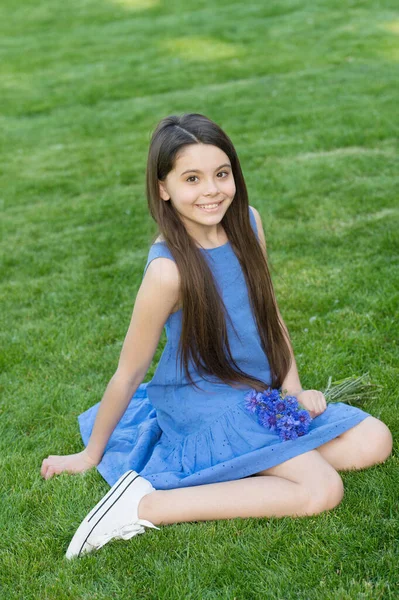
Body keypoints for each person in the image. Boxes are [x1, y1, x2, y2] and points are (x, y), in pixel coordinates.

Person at [41, 113, 393, 559]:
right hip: (203, 405)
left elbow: (271, 315)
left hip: (257, 394)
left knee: (373, 440)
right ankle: (143, 504)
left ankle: (233, 469)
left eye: (221, 174)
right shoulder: (168, 271)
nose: (211, 190)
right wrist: (91, 454)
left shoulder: (248, 223)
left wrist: (293, 389)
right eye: (192, 178)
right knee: (321, 488)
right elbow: (128, 374)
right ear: (163, 188)